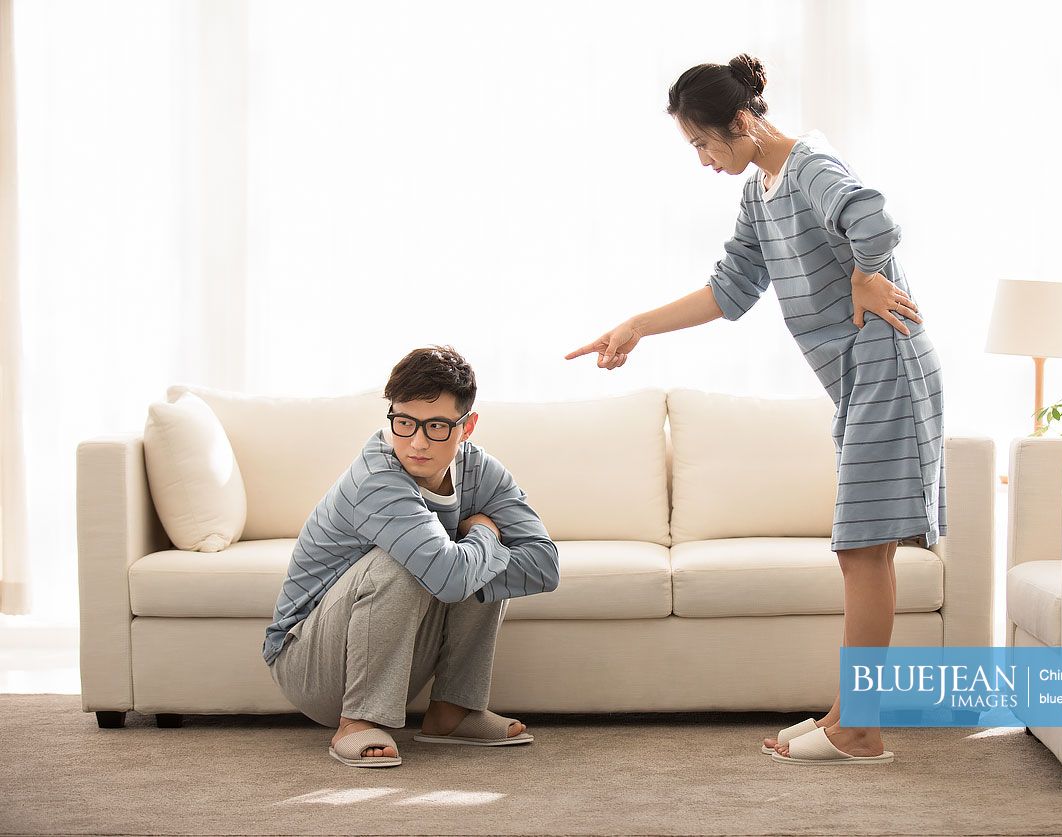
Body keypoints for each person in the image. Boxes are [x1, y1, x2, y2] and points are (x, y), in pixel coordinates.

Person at [566, 54, 945, 766]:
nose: (705, 160)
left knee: (859, 548)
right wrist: (636, 325)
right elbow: (730, 290)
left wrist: (866, 275)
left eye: (705, 144)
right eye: (695, 149)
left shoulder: (807, 167)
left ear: (742, 121)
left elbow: (872, 216)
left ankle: (857, 728)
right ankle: (847, 715)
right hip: (862, 376)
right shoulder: (760, 192)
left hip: (888, 365)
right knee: (868, 550)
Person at [263, 345, 560, 767]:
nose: (417, 443)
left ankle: (452, 714)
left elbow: (544, 564)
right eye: (404, 423)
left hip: (396, 655)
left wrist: (476, 551)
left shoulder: (481, 471)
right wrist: (484, 534)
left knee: (477, 566)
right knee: (411, 562)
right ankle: (356, 722)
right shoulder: (377, 478)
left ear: (467, 425)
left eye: (437, 426)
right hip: (309, 663)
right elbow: (451, 576)